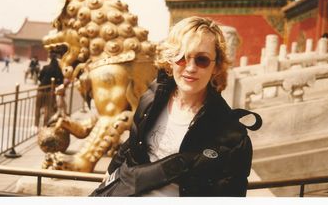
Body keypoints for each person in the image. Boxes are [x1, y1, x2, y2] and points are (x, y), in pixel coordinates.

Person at [90, 16, 262, 197]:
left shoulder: (231, 137)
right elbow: (132, 144)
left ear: (216, 66)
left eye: (201, 60)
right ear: (170, 61)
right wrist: (110, 174)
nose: (190, 67)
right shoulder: (152, 97)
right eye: (181, 58)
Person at [34, 52, 64, 128]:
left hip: (41, 89)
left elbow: (39, 78)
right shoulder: (58, 70)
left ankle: (36, 125)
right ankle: (45, 125)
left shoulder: (45, 67)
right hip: (50, 91)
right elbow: (61, 81)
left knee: (38, 107)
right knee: (47, 108)